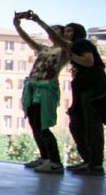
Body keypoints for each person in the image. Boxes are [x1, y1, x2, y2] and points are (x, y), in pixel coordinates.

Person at [31, 13, 106, 176]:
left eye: (69, 31)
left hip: (94, 91)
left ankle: (96, 165)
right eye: (65, 31)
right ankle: (88, 160)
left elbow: (89, 61)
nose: (65, 34)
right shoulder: (72, 46)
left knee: (93, 128)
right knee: (76, 125)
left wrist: (39, 21)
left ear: (77, 33)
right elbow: (58, 40)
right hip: (83, 92)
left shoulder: (82, 43)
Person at [13, 11, 70, 174]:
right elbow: (28, 40)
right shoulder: (44, 49)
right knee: (34, 124)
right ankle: (45, 157)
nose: (53, 34)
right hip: (33, 87)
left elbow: (55, 37)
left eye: (57, 32)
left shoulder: (65, 50)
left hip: (46, 89)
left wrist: (38, 21)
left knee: (43, 125)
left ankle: (55, 161)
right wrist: (17, 27)